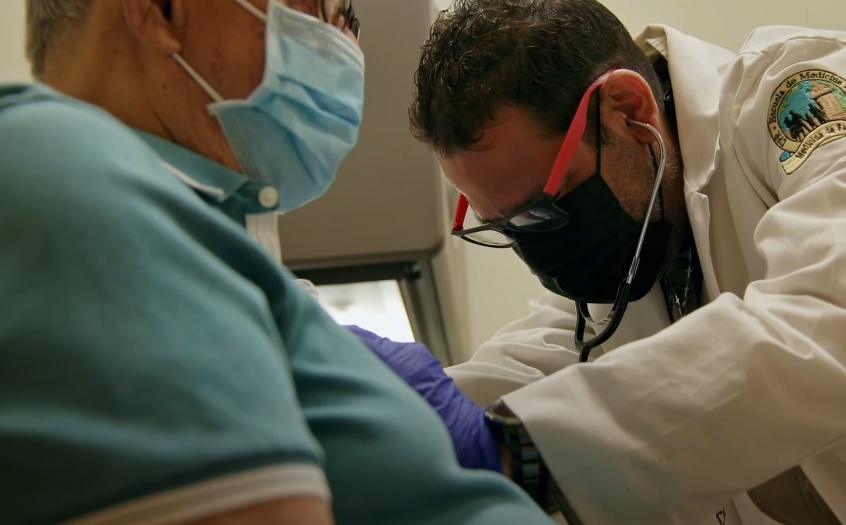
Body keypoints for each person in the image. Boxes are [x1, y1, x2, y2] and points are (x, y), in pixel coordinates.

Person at [0, 1, 555, 524]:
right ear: (160, 8)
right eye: (314, 6)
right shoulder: (55, 174)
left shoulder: (188, 231)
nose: (343, 40)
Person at [353, 0, 846, 524]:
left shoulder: (793, 91)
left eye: (545, 210)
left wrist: (524, 452)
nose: (542, 251)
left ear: (630, 109)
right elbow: (528, 371)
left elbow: (828, 319)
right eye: (508, 228)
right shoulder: (629, 256)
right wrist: (375, 413)